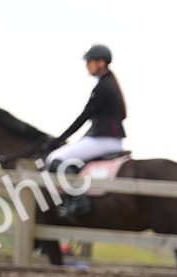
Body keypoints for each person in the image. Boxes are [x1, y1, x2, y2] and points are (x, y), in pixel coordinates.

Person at [45, 44, 126, 216]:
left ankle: (78, 200)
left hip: (105, 140)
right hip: (109, 138)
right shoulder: (110, 84)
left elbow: (84, 116)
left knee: (55, 158)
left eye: (89, 62)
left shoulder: (103, 87)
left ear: (101, 63)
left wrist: (60, 139)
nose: (87, 65)